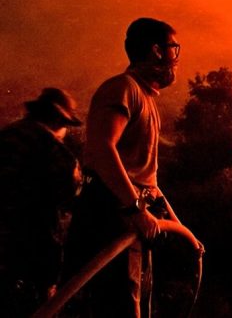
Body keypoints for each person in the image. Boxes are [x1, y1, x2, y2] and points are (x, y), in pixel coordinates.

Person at [64, 17, 184, 317]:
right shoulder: (122, 89)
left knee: (135, 300)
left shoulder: (144, 97)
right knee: (117, 305)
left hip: (130, 215)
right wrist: (135, 210)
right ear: (157, 51)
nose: (176, 58)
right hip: (111, 216)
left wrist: (177, 224)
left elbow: (143, 174)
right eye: (174, 49)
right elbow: (102, 149)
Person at [0, 87, 83, 317]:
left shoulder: (6, 136)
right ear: (59, 120)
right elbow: (69, 197)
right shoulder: (56, 153)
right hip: (32, 253)